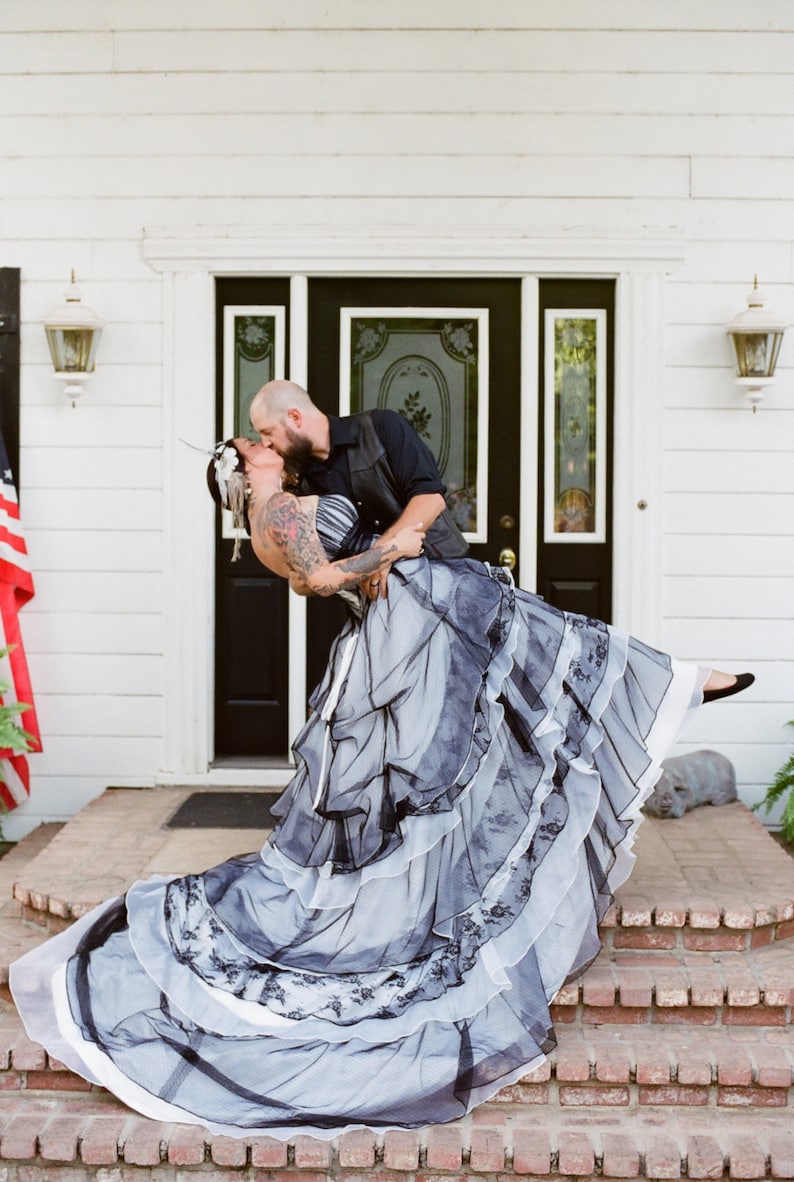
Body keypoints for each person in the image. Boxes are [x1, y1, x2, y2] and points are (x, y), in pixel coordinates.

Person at [10, 438, 754, 1141]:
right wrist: (391, 549)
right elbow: (318, 576)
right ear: (245, 463)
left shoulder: (281, 508)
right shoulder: (278, 511)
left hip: (404, 622)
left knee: (512, 696)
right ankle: (671, 683)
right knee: (519, 678)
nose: (266, 440)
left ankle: (671, 683)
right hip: (406, 617)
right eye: (257, 441)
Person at [249, 378, 469, 601]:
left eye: (268, 432)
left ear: (294, 417)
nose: (264, 443)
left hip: (444, 581)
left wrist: (380, 556)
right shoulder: (299, 484)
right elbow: (305, 578)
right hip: (381, 607)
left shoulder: (382, 427)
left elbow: (430, 499)